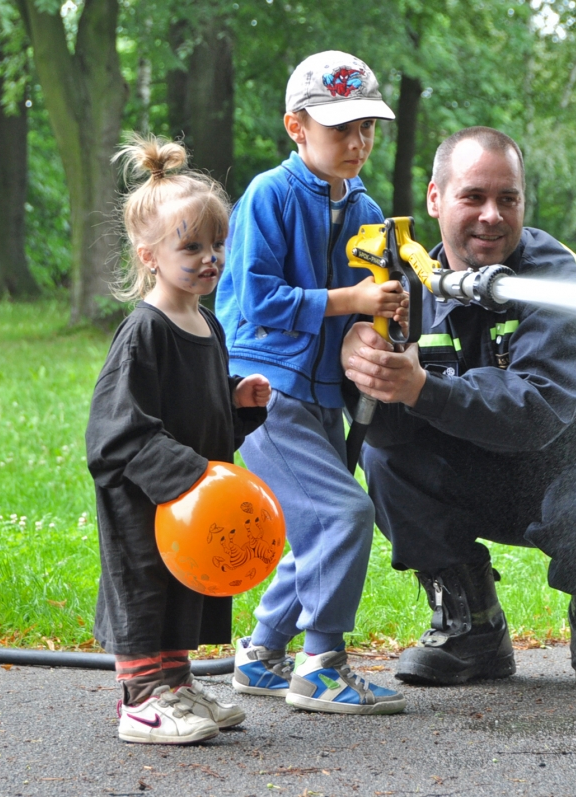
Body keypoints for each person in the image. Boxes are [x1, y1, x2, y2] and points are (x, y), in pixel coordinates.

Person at [341, 127, 576, 690]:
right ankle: (471, 626)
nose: (491, 216)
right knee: (387, 460)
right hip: (496, 466)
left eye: (508, 199)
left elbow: (536, 410)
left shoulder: (558, 279)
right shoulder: (403, 286)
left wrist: (420, 388)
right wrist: (358, 368)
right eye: (472, 197)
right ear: (435, 199)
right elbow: (383, 430)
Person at [215, 51, 408, 715]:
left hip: (327, 393)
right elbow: (254, 301)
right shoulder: (269, 195)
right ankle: (320, 664)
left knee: (317, 527)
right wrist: (347, 302)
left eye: (367, 129)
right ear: (297, 127)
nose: (357, 144)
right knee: (345, 513)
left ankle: (264, 652)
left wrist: (386, 317)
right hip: (266, 390)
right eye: (340, 129)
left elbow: (373, 304)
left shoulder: (367, 207)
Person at [85, 135, 271, 744]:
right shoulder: (144, 331)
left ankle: (176, 684)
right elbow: (115, 432)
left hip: (187, 496)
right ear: (149, 255)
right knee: (145, 585)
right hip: (144, 496)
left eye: (217, 245)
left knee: (183, 586)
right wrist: (185, 473)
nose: (209, 258)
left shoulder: (205, 322)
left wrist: (237, 402)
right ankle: (140, 700)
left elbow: (205, 409)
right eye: (190, 246)